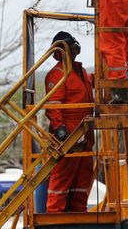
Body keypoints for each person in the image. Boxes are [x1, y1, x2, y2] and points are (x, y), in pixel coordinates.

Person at [44, 31, 95, 213]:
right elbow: (53, 105)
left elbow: (89, 84)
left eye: (72, 48)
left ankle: (79, 213)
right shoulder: (56, 75)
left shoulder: (81, 72)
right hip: (68, 135)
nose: (72, 52)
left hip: (85, 133)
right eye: (68, 49)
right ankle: (55, 215)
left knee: (83, 177)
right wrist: (60, 129)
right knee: (62, 176)